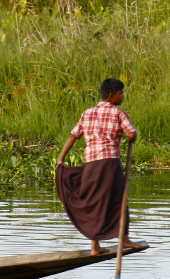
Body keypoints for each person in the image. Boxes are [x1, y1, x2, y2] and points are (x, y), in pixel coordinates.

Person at [56, 78, 142, 255]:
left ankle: (95, 247)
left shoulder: (87, 113)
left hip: (92, 165)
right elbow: (131, 133)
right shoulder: (119, 113)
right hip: (110, 164)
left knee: (94, 202)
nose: (123, 96)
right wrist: (132, 136)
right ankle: (124, 239)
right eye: (121, 93)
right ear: (111, 96)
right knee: (120, 199)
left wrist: (61, 158)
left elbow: (73, 135)